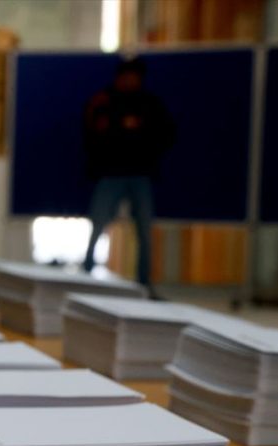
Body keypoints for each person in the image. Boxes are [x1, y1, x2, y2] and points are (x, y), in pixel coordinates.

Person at [82, 57, 174, 290]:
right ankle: (86, 273)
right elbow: (92, 133)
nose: (130, 81)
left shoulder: (149, 103)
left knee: (144, 229)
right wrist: (120, 128)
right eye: (127, 76)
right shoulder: (104, 100)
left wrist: (140, 134)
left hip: (140, 174)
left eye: (134, 77)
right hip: (110, 173)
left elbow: (164, 133)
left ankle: (144, 284)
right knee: (98, 222)